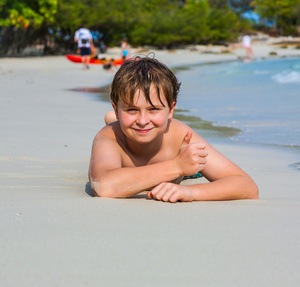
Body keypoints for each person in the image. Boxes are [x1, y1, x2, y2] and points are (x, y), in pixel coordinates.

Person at [89, 57, 259, 202]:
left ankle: (117, 117)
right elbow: (103, 186)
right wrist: (177, 166)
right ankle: (112, 120)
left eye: (153, 109)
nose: (142, 120)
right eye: (131, 109)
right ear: (116, 108)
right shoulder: (110, 137)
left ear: (170, 110)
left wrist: (191, 192)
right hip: (175, 162)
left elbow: (247, 186)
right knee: (117, 126)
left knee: (193, 166)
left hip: (188, 169)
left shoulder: (179, 135)